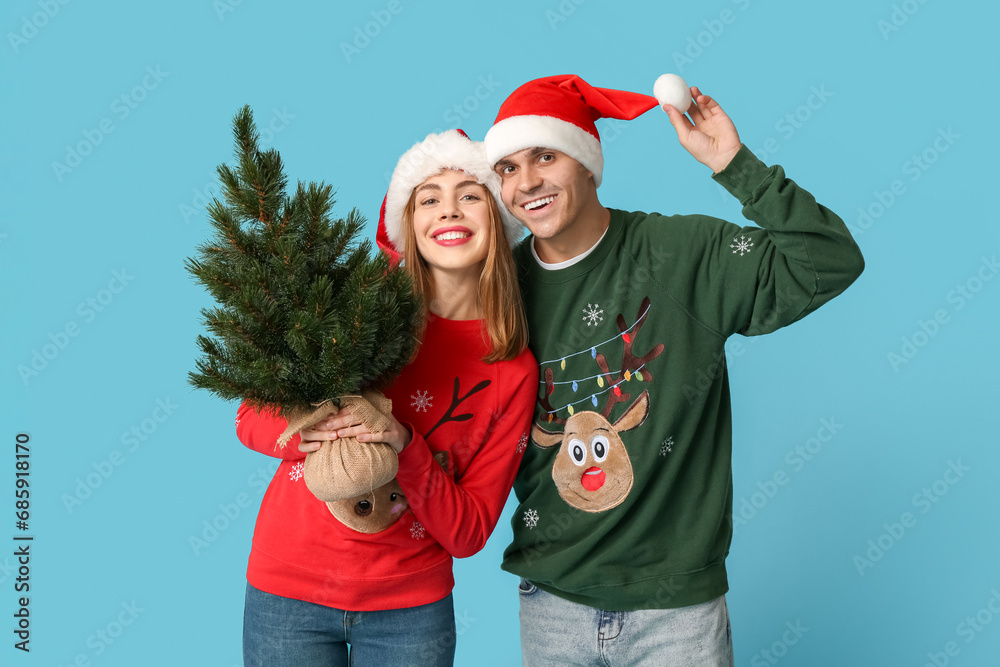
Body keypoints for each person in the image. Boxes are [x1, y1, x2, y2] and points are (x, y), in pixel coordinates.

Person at [482, 74, 865, 666]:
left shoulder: (680, 254)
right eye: (506, 167)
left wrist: (736, 165)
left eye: (545, 156)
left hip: (677, 614)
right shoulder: (498, 290)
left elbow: (830, 261)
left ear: (586, 162)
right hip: (552, 603)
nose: (526, 180)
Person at [235, 129, 538, 667]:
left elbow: (468, 532)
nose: (449, 211)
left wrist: (407, 444)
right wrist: (302, 432)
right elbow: (248, 418)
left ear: (498, 219)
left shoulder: (512, 370)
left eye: (469, 194)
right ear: (408, 222)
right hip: (288, 592)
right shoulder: (358, 307)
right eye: (429, 199)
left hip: (410, 612)